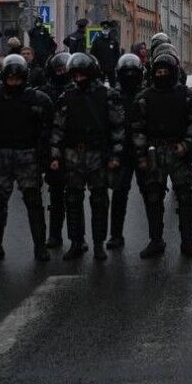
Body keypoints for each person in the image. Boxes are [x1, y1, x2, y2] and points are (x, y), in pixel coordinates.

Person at [50, 53, 124, 261]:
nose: (78, 78)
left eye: (82, 74)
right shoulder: (67, 96)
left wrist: (115, 155)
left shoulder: (107, 95)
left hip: (97, 155)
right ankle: (76, 241)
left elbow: (117, 128)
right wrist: (55, 155)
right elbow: (58, 129)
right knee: (73, 200)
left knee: (99, 201)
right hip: (73, 155)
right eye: (75, 75)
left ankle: (99, 244)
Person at [131, 52, 192, 259]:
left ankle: (187, 242)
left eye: (165, 71)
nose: (162, 75)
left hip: (178, 152)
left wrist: (186, 146)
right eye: (158, 71)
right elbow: (137, 129)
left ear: (173, 72)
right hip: (154, 152)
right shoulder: (144, 98)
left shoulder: (187, 96)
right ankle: (155, 241)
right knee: (153, 197)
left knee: (184, 197)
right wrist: (142, 156)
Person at [0, 55, 55, 263]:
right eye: (10, 79)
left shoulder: (38, 99)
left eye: (18, 79)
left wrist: (43, 155)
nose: (14, 83)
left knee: (33, 202)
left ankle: (40, 247)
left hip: (27, 156)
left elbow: (47, 129)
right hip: (2, 155)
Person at [109, 53, 145, 250]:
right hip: (121, 152)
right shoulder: (113, 96)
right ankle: (115, 235)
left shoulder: (146, 94)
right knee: (119, 193)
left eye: (133, 73)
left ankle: (155, 237)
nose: (130, 76)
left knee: (150, 194)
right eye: (126, 73)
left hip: (142, 151)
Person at [38, 52, 72, 249]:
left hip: (73, 148)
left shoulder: (76, 90)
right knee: (56, 195)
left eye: (65, 70)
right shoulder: (45, 93)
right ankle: (54, 235)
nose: (62, 73)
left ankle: (78, 237)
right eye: (58, 70)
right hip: (53, 151)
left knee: (75, 197)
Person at [90, 20, 122, 85]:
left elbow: (117, 54)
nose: (105, 30)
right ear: (101, 29)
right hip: (100, 68)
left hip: (111, 68)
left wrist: (115, 65)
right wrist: (96, 65)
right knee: (99, 86)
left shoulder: (113, 41)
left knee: (113, 85)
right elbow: (93, 53)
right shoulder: (97, 40)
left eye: (106, 28)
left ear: (109, 29)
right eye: (104, 28)